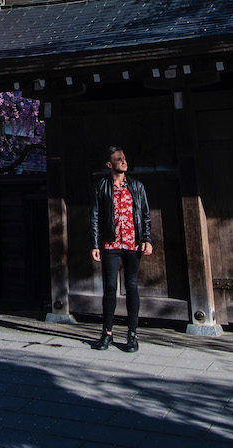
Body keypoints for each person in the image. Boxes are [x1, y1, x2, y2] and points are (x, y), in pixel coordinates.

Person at [90, 145, 152, 351]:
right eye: (118, 159)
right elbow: (96, 216)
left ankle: (132, 334)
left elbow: (145, 215)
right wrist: (95, 244)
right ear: (109, 164)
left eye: (124, 158)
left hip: (133, 243)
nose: (123, 161)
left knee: (132, 287)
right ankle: (107, 333)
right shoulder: (102, 186)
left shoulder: (136, 186)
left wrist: (147, 239)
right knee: (110, 288)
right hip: (110, 243)